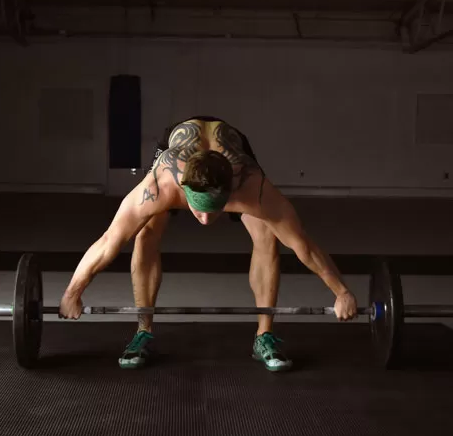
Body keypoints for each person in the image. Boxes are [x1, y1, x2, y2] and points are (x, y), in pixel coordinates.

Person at [59, 116, 358, 372]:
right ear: (184, 191)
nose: (203, 220)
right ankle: (143, 332)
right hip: (177, 147)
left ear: (230, 194)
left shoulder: (252, 187)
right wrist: (73, 291)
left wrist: (342, 292)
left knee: (267, 234)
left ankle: (264, 336)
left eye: (213, 209)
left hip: (235, 148)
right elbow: (110, 240)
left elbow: (302, 244)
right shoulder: (160, 185)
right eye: (197, 208)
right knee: (146, 231)